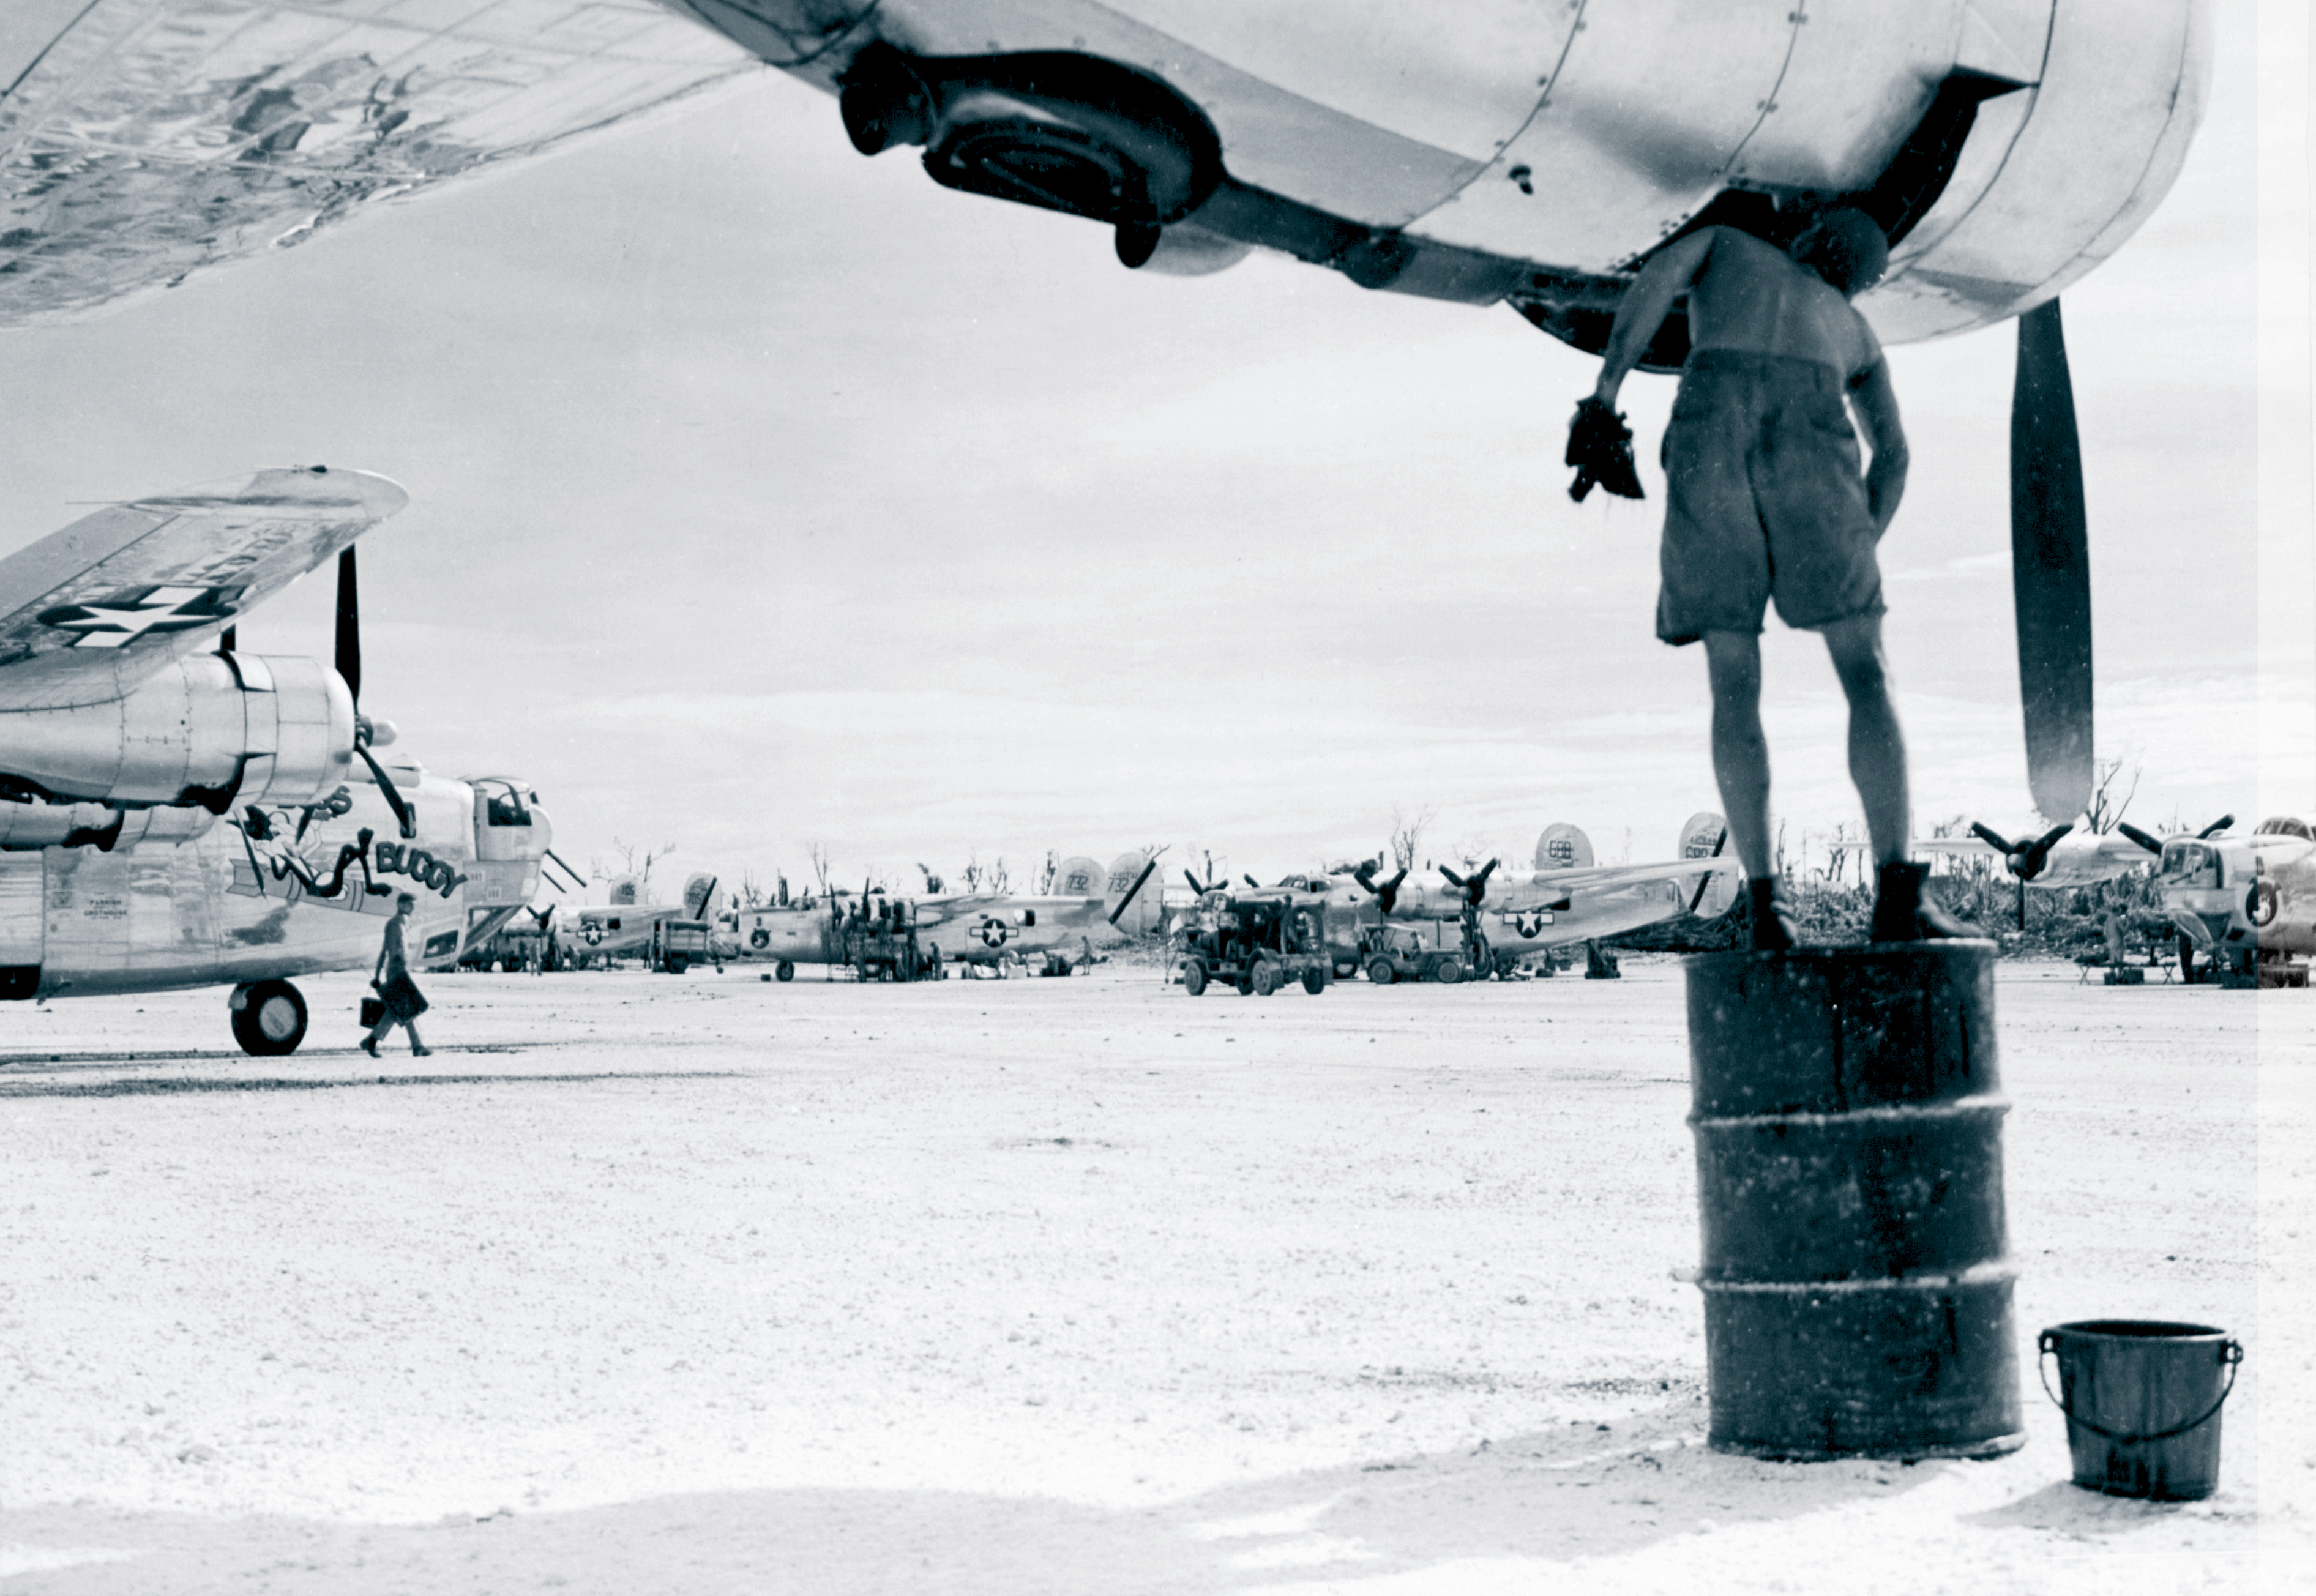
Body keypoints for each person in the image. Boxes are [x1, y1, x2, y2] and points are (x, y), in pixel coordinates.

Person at [1577, 206, 1971, 950]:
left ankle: (1765, 907)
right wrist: (1860, 542)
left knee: (1733, 678)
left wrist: (1605, 391)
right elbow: (1895, 455)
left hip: (1711, 421)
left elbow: (1658, 278)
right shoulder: (1853, 330)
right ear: (1859, 276)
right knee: (1865, 672)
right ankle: (1896, 894)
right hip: (1815, 437)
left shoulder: (1729, 248)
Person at [362, 892, 433, 1056]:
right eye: (410, 904)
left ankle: (372, 1041)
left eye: (413, 904)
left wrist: (379, 975)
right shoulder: (395, 925)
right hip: (397, 972)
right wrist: (380, 975)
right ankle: (416, 1047)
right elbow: (389, 952)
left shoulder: (401, 924)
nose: (413, 907)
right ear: (401, 905)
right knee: (404, 1009)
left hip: (399, 972)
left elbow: (387, 952)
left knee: (399, 1010)